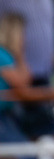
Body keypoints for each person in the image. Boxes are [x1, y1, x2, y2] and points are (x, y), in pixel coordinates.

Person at [0, 0, 54, 138]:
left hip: (43, 67)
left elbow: (50, 22)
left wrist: (53, 53)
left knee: (45, 121)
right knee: (31, 124)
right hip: (18, 68)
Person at [0, 13, 32, 143]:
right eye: (22, 34)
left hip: (8, 116)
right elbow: (22, 84)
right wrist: (20, 54)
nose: (24, 39)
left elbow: (26, 80)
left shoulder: (8, 56)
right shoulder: (2, 55)